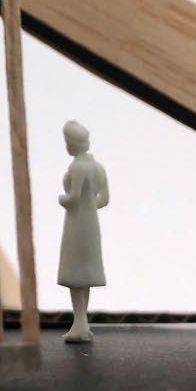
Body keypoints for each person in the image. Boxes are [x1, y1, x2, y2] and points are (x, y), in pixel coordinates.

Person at [58, 119, 108, 344]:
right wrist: (90, 206)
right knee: (84, 274)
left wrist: (62, 199)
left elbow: (74, 198)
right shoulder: (98, 167)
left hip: (77, 222)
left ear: (72, 143)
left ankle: (80, 323)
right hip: (90, 222)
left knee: (75, 273)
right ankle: (81, 322)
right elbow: (104, 199)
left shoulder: (78, 167)